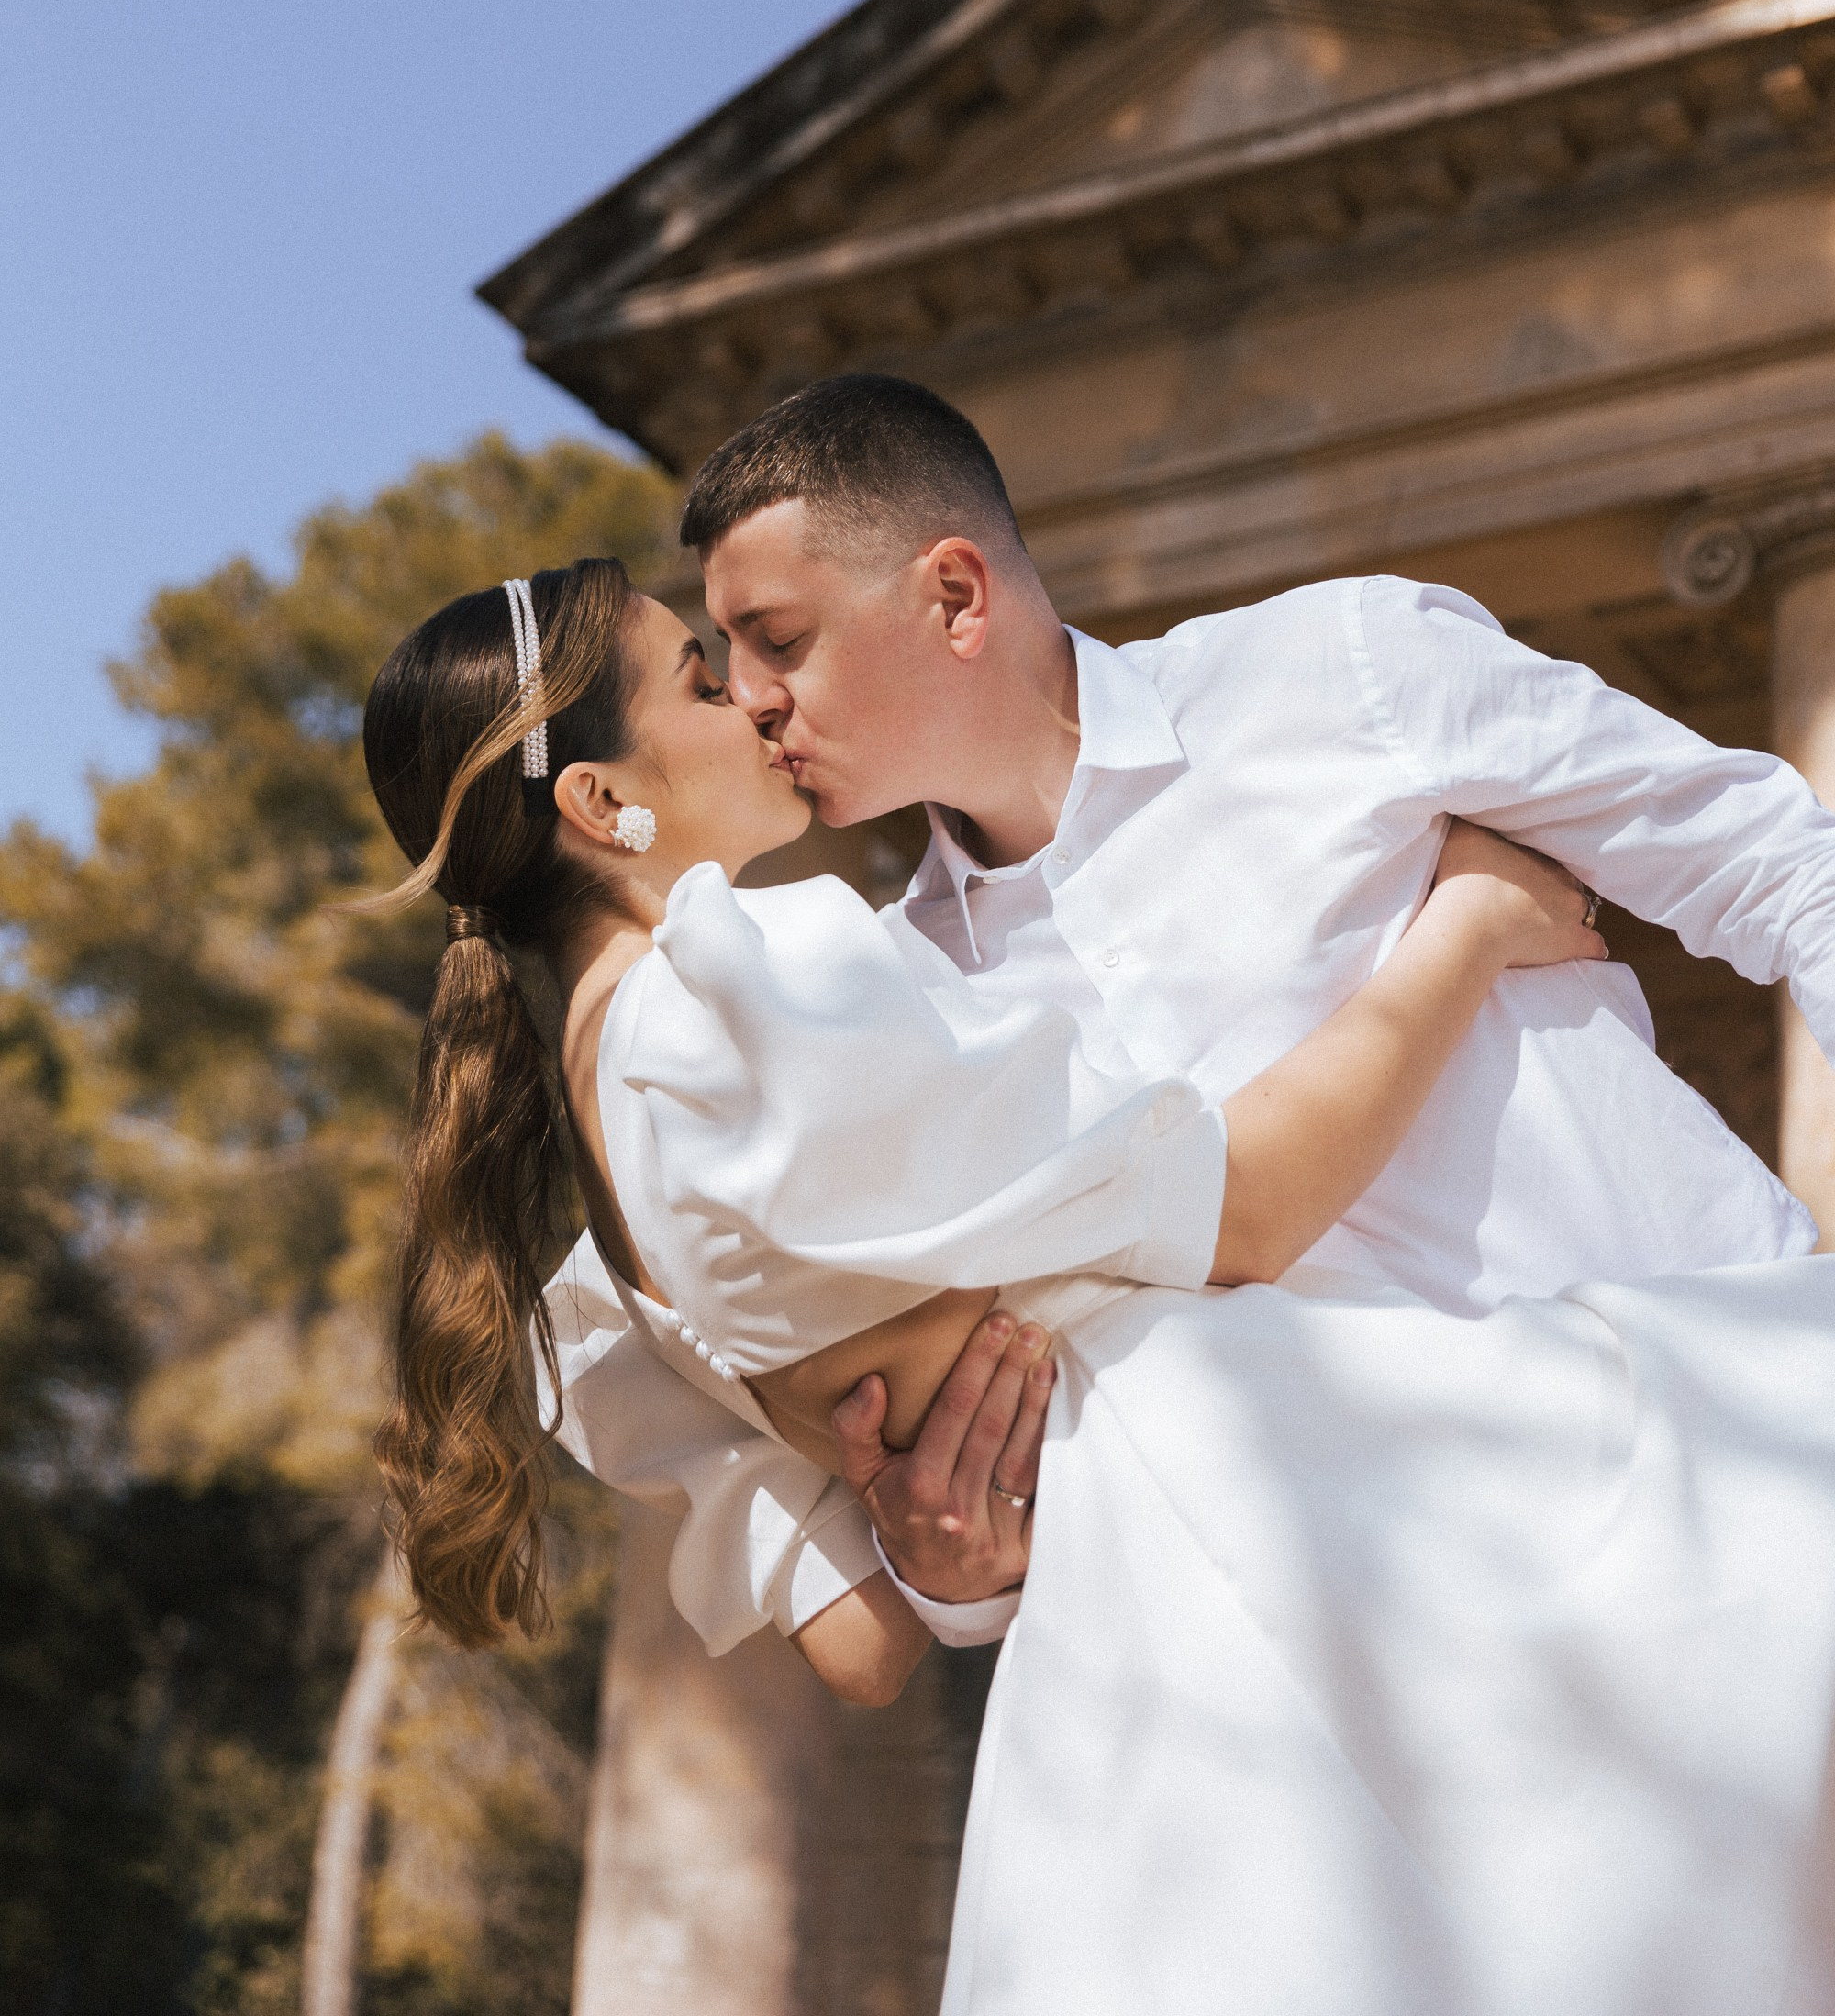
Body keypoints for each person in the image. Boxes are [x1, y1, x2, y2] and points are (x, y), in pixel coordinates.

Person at [361, 553, 1835, 2013]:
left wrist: (947, 1548)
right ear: (602, 804)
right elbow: (1239, 1209)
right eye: (698, 674)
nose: (751, 704)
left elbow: (866, 1639)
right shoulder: (754, 995)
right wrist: (1469, 932)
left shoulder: (600, 1286)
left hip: (1130, 1670)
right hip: (1293, 1497)